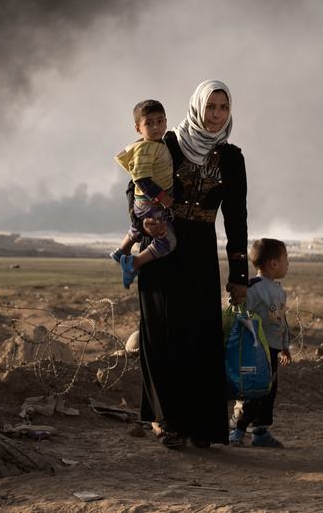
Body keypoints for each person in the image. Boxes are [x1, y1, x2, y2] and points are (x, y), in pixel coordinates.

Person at [135, 79, 248, 449]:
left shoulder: (232, 158)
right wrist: (141, 223)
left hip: (200, 249)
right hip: (163, 245)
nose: (216, 115)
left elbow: (236, 218)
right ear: (198, 107)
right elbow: (135, 184)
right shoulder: (167, 144)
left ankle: (201, 425)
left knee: (200, 334)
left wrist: (240, 275)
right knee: (162, 331)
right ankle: (165, 419)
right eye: (211, 107)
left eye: (223, 108)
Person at [230, 238, 292, 447]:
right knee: (249, 389)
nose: (288, 264)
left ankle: (260, 432)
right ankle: (237, 431)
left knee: (268, 390)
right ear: (274, 263)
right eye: (286, 260)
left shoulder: (279, 291)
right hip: (253, 350)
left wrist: (284, 347)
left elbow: (281, 320)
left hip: (272, 351)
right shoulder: (252, 288)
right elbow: (238, 312)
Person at [111, 99, 177, 289]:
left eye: (160, 121)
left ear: (166, 121)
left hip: (148, 202)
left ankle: (121, 251)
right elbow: (140, 179)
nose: (156, 127)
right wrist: (161, 197)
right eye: (149, 123)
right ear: (138, 128)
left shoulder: (158, 144)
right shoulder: (145, 149)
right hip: (150, 203)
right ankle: (134, 262)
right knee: (168, 242)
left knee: (138, 230)